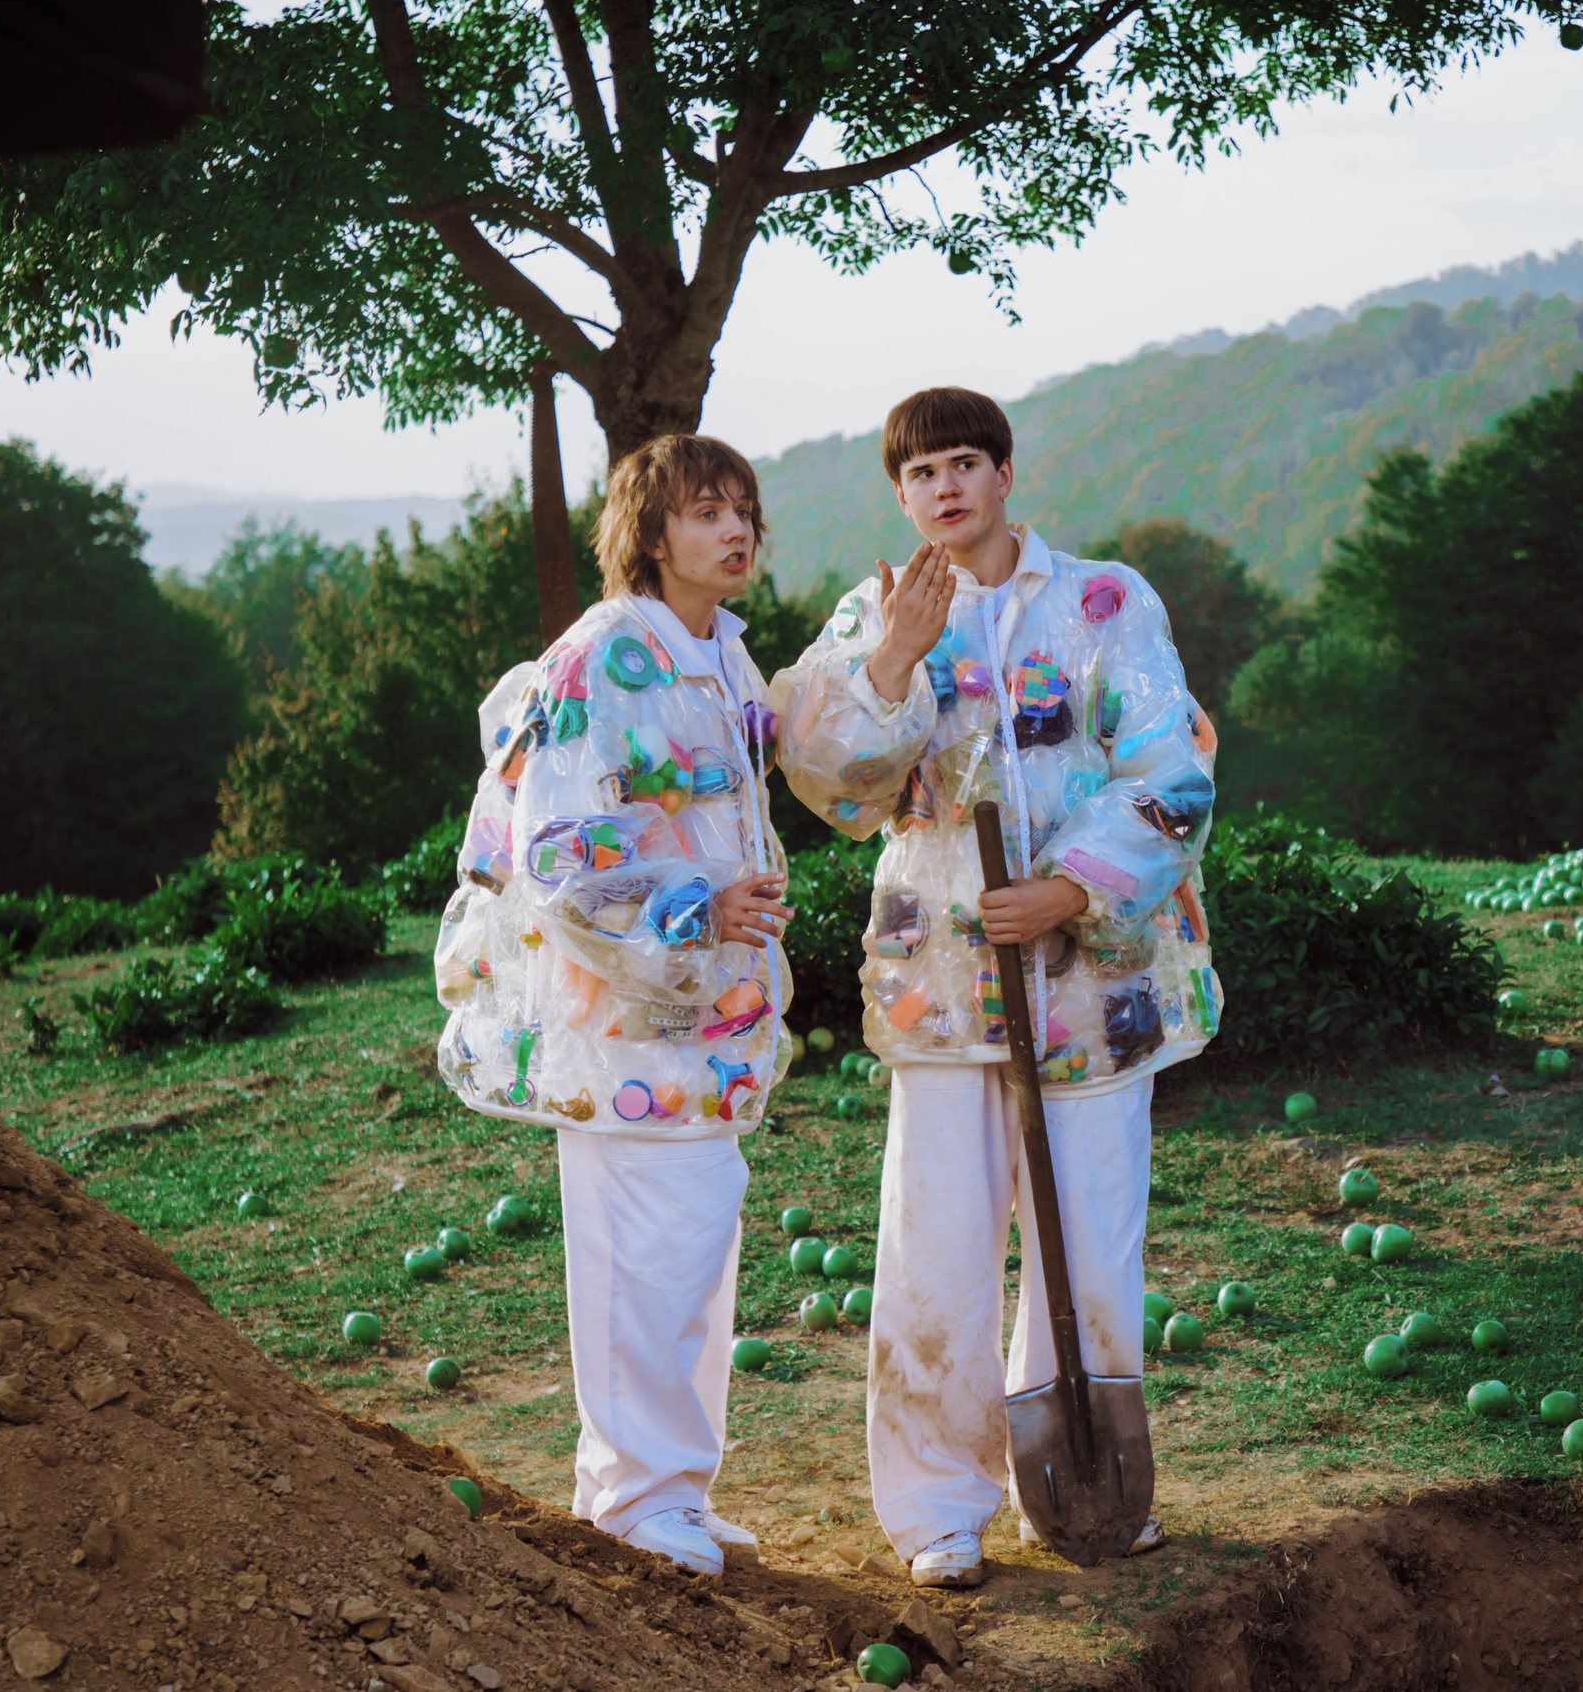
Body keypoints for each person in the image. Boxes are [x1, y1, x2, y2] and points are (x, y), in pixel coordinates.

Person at [773, 385, 1222, 1588]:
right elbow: (829, 783)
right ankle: (938, 1507)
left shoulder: (1105, 601)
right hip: (940, 981)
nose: (945, 489)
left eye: (964, 463)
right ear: (899, 494)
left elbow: (1171, 770)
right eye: (920, 474)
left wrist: (1069, 888)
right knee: (938, 1243)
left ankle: (1079, 1490)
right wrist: (892, 659)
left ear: (1005, 473)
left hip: (1093, 986)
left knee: (1092, 1243)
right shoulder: (875, 611)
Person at [432, 433, 795, 1579]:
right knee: (643, 1255)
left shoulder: (719, 654)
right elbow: (563, 853)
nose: (733, 531)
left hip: (706, 1019)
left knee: (695, 1252)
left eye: (742, 510)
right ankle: (637, 1501)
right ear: (649, 533)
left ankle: (666, 1488)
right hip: (623, 1025)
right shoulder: (600, 658)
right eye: (704, 512)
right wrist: (700, 905)